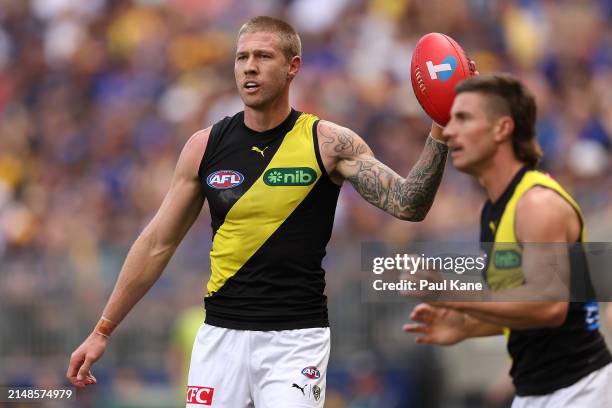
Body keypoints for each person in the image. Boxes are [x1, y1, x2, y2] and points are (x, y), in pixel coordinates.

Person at [67, 16, 450, 407]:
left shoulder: (329, 143)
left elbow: (408, 202)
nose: (249, 66)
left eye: (264, 56)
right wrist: (102, 330)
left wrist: (440, 124)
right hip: (220, 339)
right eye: (242, 57)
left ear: (292, 67)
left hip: (296, 341)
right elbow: (156, 243)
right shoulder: (204, 147)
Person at [404, 74, 612, 407]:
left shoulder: (537, 204)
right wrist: (469, 326)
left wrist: (453, 294)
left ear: (502, 128)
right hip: (538, 392)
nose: (449, 130)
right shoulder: (495, 208)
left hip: (579, 390)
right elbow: (527, 310)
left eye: (464, 118)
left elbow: (548, 307)